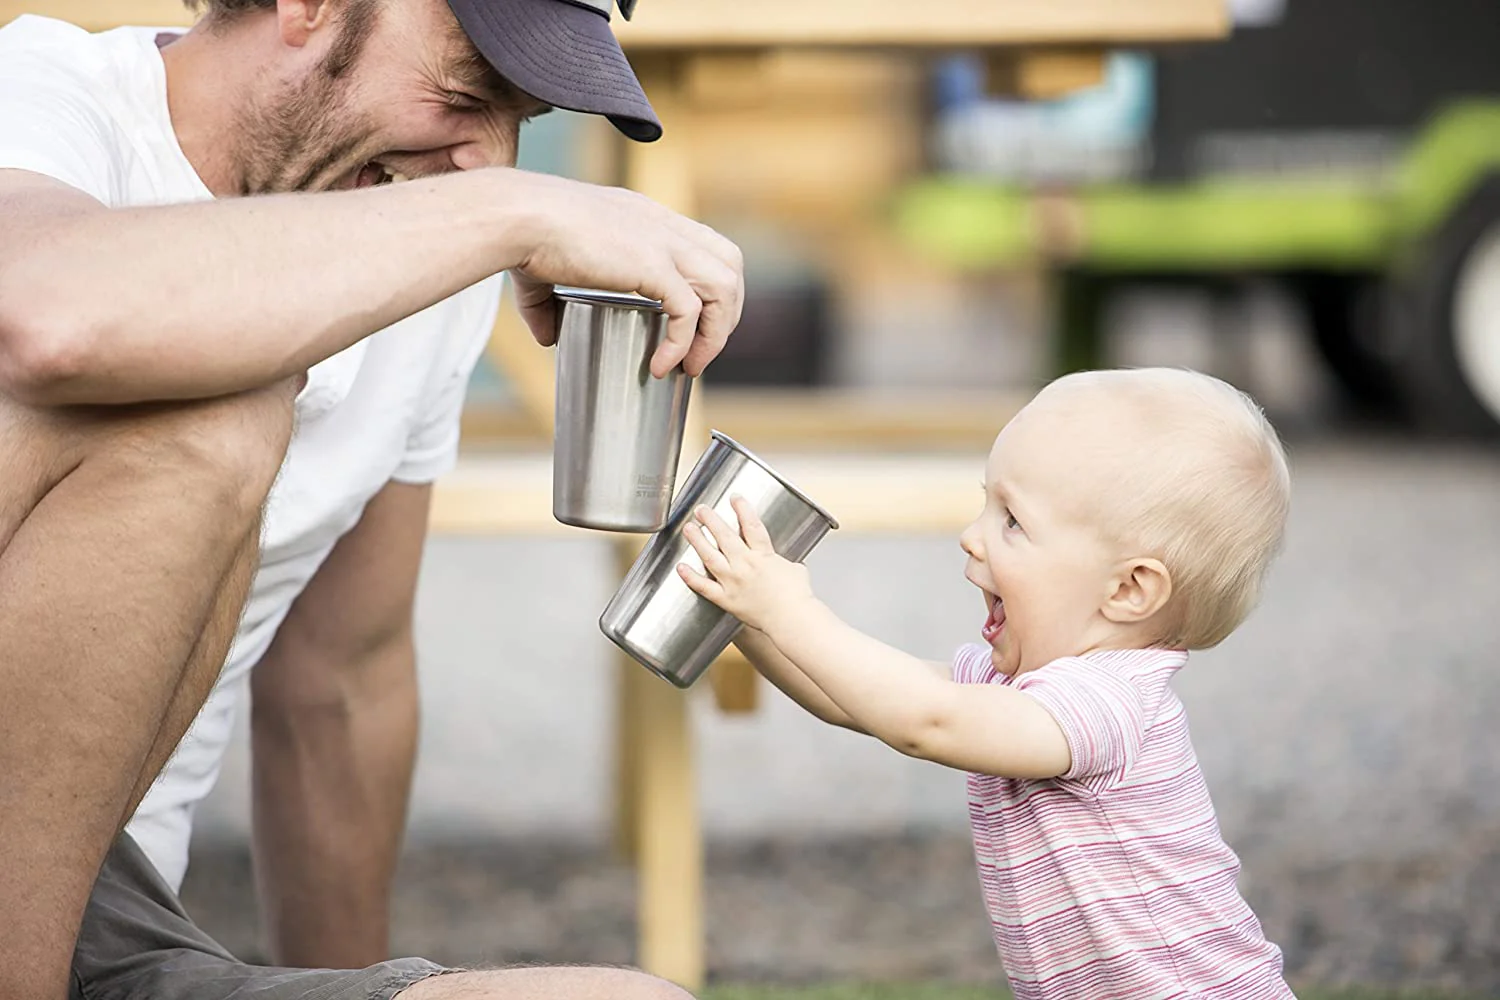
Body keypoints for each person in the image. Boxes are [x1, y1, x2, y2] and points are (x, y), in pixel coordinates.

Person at [0, 0, 742, 996]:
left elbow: (339, 683)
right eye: (467, 92)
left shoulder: (424, 247)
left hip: (117, 926)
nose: (488, 160)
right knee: (213, 413)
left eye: (520, 118)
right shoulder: (42, 93)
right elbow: (52, 316)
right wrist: (514, 213)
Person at [678, 367, 1298, 999]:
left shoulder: (1108, 704)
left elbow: (925, 721)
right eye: (986, 503)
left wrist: (789, 610)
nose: (971, 537)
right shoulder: (1022, 688)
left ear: (1129, 589)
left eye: (1012, 522)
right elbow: (856, 705)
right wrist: (750, 623)